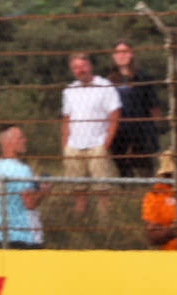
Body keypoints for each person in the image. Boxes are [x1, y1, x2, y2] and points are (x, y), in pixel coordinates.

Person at [61, 53, 121, 215]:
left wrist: (105, 144)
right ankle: (80, 218)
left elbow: (114, 115)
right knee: (78, 188)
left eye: (82, 66)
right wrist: (65, 144)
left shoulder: (104, 86)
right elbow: (66, 119)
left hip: (97, 144)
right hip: (74, 145)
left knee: (101, 187)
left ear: (90, 66)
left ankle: (104, 220)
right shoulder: (69, 90)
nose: (80, 70)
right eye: (75, 67)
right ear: (72, 70)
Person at [106, 41, 160, 178]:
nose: (122, 56)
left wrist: (150, 127)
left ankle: (147, 190)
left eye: (125, 51)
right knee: (122, 166)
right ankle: (127, 191)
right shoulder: (109, 81)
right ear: (113, 56)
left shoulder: (143, 77)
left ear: (131, 54)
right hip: (118, 130)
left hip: (140, 129)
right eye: (118, 52)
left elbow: (153, 105)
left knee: (144, 165)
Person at [0, 125, 49, 249]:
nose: (25, 140)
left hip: (4, 235)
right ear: (8, 142)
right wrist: (44, 189)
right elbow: (29, 203)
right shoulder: (21, 170)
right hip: (25, 237)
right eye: (20, 138)